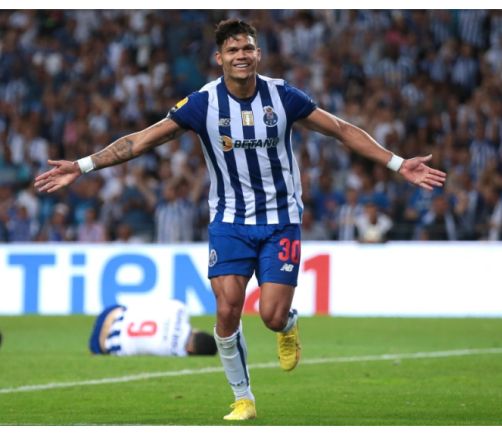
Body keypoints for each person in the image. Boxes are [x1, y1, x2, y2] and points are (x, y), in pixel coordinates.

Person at [34, 18, 447, 420]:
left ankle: (287, 324)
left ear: (258, 54)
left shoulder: (283, 97)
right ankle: (243, 398)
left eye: (247, 47)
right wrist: (83, 165)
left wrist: (397, 163)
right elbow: (139, 142)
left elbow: (341, 129)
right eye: (232, 49)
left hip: (281, 220)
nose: (241, 55)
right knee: (227, 311)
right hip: (229, 222)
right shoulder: (202, 104)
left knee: (270, 316)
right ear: (220, 58)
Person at [89, 299, 217, 357]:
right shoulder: (176, 353)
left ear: (198, 331)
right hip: (101, 345)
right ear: (191, 350)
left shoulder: (180, 309)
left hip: (110, 313)